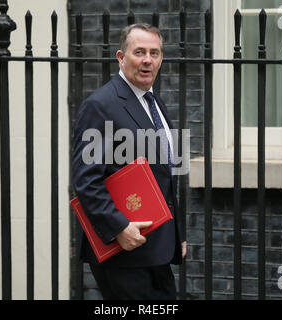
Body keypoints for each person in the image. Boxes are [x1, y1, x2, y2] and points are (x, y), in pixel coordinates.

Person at [72, 23, 187, 300]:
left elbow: (169, 174)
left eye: (155, 53)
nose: (148, 60)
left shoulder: (155, 102)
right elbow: (86, 180)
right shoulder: (100, 105)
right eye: (140, 52)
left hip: (159, 247)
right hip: (123, 251)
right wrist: (119, 228)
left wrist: (178, 232)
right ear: (121, 58)